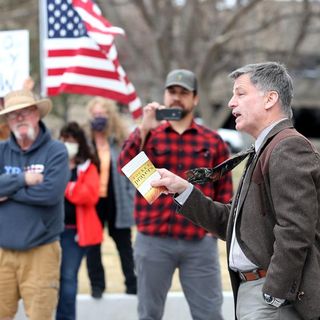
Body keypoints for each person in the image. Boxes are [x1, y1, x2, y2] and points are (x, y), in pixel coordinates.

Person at [150, 62, 320, 320]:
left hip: (270, 298)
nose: (231, 103)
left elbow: (296, 230)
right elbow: (233, 224)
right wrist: (183, 190)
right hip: (256, 292)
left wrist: (273, 293)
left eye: (240, 94)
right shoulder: (265, 148)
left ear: (270, 99)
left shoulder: (287, 147)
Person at [118, 69, 233, 320]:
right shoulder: (149, 137)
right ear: (164, 95)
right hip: (153, 241)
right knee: (149, 314)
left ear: (195, 99)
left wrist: (215, 232)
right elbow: (124, 165)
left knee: (210, 314)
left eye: (184, 93)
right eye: (172, 92)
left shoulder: (213, 142)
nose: (177, 98)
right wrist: (143, 129)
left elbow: (224, 195)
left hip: (199, 242)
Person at [0, 89, 69, 319]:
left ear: (37, 114)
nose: (19, 118)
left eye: (25, 112)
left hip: (41, 251)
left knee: (40, 316)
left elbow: (50, 194)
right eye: (13, 114)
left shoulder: (56, 150)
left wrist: (8, 190)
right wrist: (23, 180)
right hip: (2, 253)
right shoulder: (1, 151)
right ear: (7, 121)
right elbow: (37, 190)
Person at [85, 97, 137, 297]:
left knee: (124, 243)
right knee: (92, 245)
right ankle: (97, 286)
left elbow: (135, 170)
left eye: (103, 114)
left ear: (110, 116)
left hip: (117, 199)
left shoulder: (121, 140)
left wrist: (132, 196)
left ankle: (132, 285)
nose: (99, 118)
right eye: (95, 115)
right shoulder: (85, 142)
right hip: (92, 201)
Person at [56, 121, 103, 320]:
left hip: (75, 232)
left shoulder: (88, 166)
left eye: (72, 140)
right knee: (50, 280)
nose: (68, 144)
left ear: (79, 142)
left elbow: (89, 196)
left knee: (68, 278)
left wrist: (65, 186)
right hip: (51, 231)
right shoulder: (54, 162)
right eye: (65, 140)